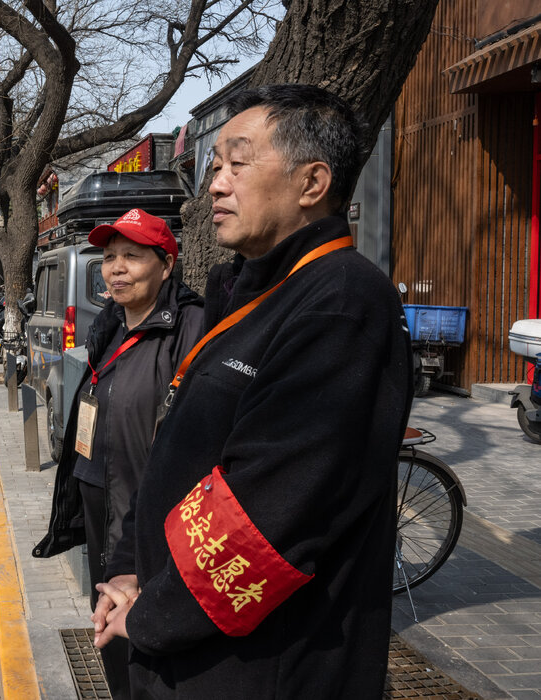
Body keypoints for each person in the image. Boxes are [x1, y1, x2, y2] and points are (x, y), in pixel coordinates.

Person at [92, 85, 413, 698]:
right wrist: (129, 568)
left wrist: (152, 612)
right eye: (214, 167)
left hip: (262, 664)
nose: (215, 184)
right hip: (184, 636)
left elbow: (275, 508)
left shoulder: (341, 304)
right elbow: (175, 452)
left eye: (238, 164)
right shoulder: (250, 291)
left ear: (312, 182)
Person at [34, 208, 205, 699]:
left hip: (147, 507)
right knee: (107, 614)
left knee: (143, 624)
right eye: (109, 258)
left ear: (166, 265)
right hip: (100, 494)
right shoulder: (109, 324)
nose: (117, 268)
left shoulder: (189, 326)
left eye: (133, 256)